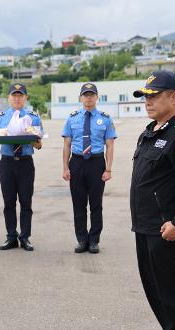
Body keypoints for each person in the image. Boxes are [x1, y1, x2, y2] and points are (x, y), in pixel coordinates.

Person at [130, 70, 175, 330]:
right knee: (157, 296)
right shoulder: (151, 131)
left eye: (154, 96)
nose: (148, 101)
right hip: (145, 228)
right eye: (146, 96)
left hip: (166, 232)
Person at [61, 83, 116, 254]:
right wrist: (65, 168)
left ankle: (94, 240)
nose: (89, 98)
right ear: (80, 98)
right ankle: (81, 239)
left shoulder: (105, 118)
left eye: (92, 94)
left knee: (96, 204)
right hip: (77, 163)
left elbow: (110, 145)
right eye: (86, 95)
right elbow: (67, 145)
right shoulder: (72, 118)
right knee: (78, 204)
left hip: (96, 163)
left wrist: (108, 169)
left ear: (97, 97)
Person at [0, 83, 42, 251]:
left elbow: (39, 145)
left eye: (20, 95)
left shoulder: (33, 117)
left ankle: (25, 237)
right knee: (9, 202)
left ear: (26, 98)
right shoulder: (0, 117)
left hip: (25, 162)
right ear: (9, 97)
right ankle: (11, 236)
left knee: (26, 202)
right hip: (7, 162)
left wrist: (30, 136)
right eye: (14, 95)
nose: (17, 98)